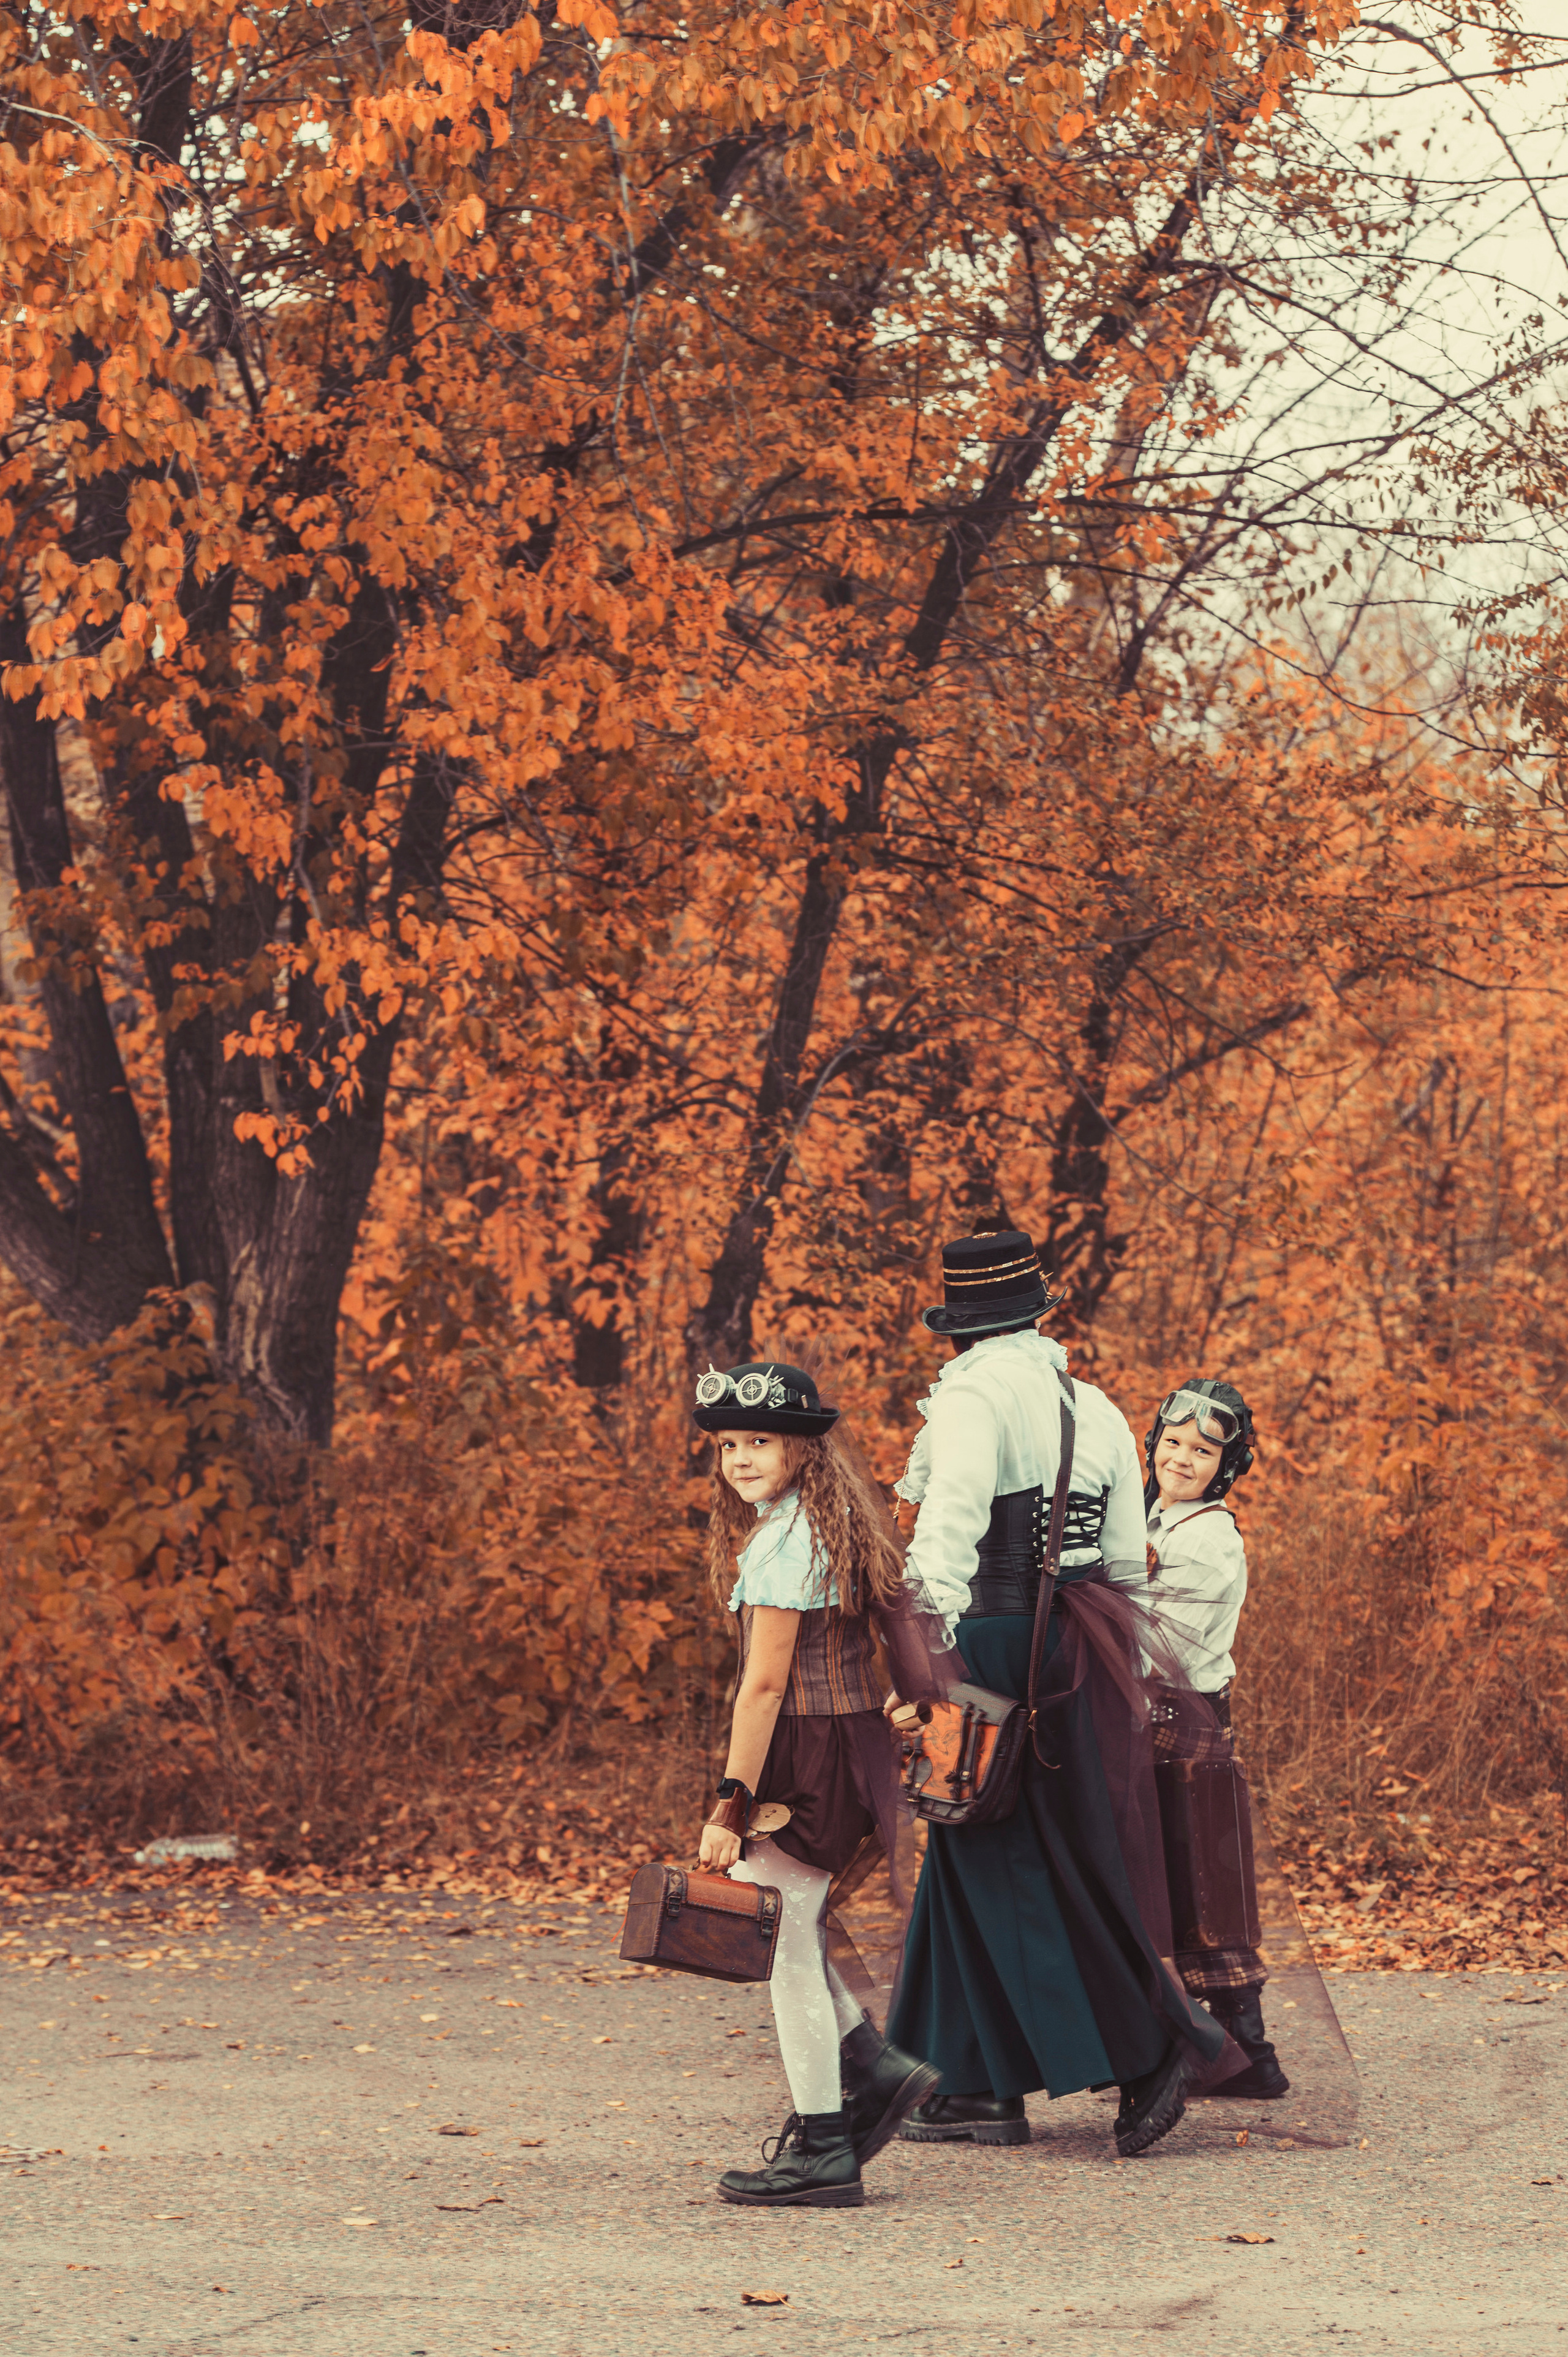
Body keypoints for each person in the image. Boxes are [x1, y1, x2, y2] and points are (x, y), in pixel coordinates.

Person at [886, 1231, 1229, 2158]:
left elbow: (949, 1532)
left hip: (991, 1640)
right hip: (1086, 1642)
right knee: (991, 1854)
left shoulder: (971, 1398)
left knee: (999, 1853)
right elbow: (1124, 1555)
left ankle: (1153, 2044)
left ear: (962, 1327)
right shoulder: (1097, 1405)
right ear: (1035, 1313)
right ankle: (966, 2083)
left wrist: (920, 1660)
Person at [692, 1359, 946, 2209]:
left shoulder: (787, 1539)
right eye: (729, 1444)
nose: (740, 1456)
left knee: (782, 1942)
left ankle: (827, 2141)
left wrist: (731, 1800)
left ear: (804, 1447)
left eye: (759, 1439)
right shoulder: (820, 1522)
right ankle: (872, 2067)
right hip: (844, 1743)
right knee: (791, 1929)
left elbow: (762, 1686)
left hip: (806, 1753)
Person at [1144, 1377, 1288, 2099]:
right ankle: (1201, 2047)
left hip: (1187, 1715)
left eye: (1201, 1451)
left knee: (1205, 1879)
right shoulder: (1152, 1518)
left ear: (1224, 1467)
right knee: (1167, 1881)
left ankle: (1251, 2056)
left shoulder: (1207, 1537)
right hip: (1150, 1719)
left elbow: (1159, 1645)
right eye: (1172, 1442)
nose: (1182, 1458)